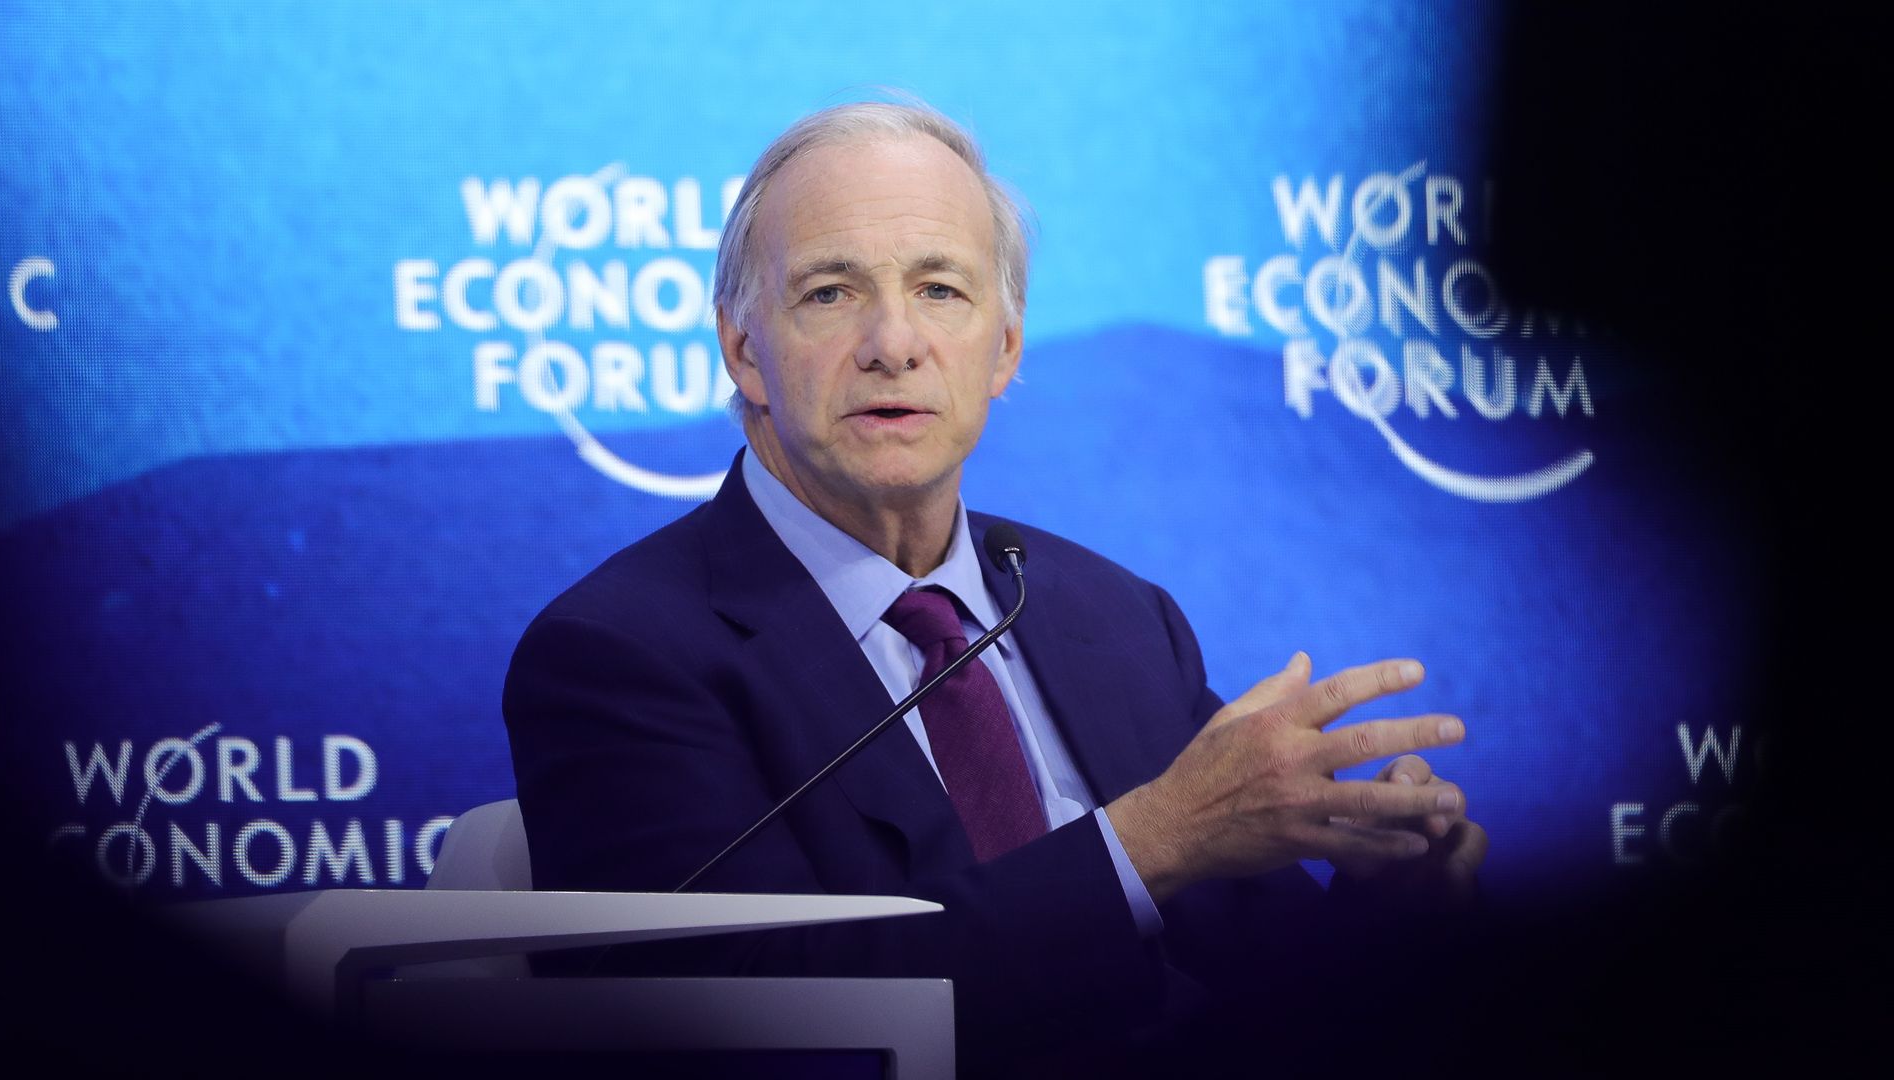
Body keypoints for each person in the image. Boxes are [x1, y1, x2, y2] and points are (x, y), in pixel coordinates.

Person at [502, 100, 1487, 1075]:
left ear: (1005, 349)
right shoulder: (619, 655)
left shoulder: (1120, 617)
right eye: (831, 293)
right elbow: (728, 1016)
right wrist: (1148, 841)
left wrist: (1383, 909)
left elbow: (1270, 981)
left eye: (941, 290)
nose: (895, 343)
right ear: (743, 350)